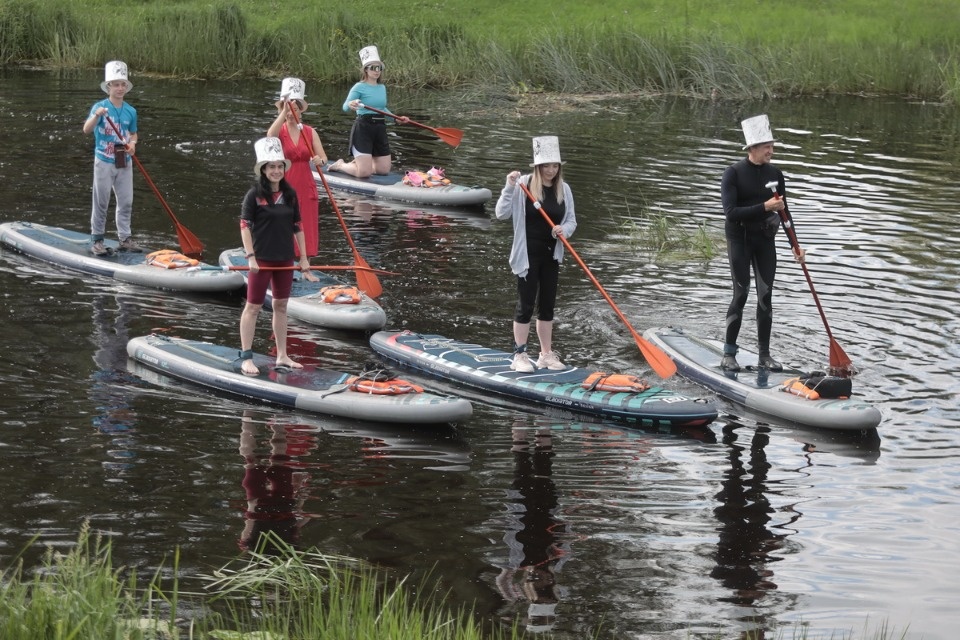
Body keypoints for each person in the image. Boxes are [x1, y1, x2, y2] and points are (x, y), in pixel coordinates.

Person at [720, 114, 804, 373]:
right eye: (766, 145)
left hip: (765, 241)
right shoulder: (733, 174)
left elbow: (785, 213)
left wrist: (795, 244)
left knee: (766, 297)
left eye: (772, 145)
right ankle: (729, 354)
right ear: (752, 148)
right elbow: (731, 212)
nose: (771, 150)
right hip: (740, 240)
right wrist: (764, 206)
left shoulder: (776, 174)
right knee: (741, 294)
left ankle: (764, 356)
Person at [495, 136, 577, 373]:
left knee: (547, 306)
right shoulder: (522, 185)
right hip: (527, 255)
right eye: (546, 166)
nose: (551, 170)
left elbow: (571, 220)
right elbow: (501, 214)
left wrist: (564, 230)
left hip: (551, 254)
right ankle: (520, 354)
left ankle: (545, 355)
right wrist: (509, 187)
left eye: (555, 166)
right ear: (537, 166)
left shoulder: (565, 189)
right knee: (526, 304)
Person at [238, 137, 318, 377]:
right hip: (261, 259)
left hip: (285, 259)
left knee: (281, 306)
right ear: (263, 169)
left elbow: (298, 227)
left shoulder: (290, 195)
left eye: (279, 166)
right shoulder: (254, 195)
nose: (276, 170)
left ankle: (282, 354)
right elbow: (244, 226)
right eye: (271, 166)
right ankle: (246, 356)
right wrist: (250, 257)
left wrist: (303, 259)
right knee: (252, 307)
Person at [82, 60, 140, 256]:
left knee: (126, 201)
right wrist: (96, 116)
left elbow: (133, 134)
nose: (120, 88)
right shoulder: (100, 107)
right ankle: (97, 240)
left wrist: (132, 144)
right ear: (109, 87)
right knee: (101, 201)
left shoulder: (131, 111)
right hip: (104, 161)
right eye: (116, 84)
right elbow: (86, 129)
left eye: (123, 84)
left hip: (124, 161)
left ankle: (125, 239)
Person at [266, 77, 328, 257]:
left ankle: (305, 261)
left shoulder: (309, 131)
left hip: (305, 183)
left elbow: (323, 158)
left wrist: (319, 161)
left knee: (305, 224)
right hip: (285, 182)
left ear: (301, 111)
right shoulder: (280, 130)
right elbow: (270, 136)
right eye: (288, 109)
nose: (291, 113)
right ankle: (284, 258)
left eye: (295, 109)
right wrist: (283, 110)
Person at [327, 45, 409, 178]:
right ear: (366, 69)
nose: (377, 71)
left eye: (379, 68)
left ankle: (361, 161)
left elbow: (382, 109)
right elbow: (345, 107)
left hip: (380, 129)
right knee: (364, 173)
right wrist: (351, 104)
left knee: (383, 170)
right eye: (373, 68)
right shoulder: (359, 86)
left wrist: (396, 118)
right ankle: (340, 165)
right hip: (363, 128)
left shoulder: (382, 87)